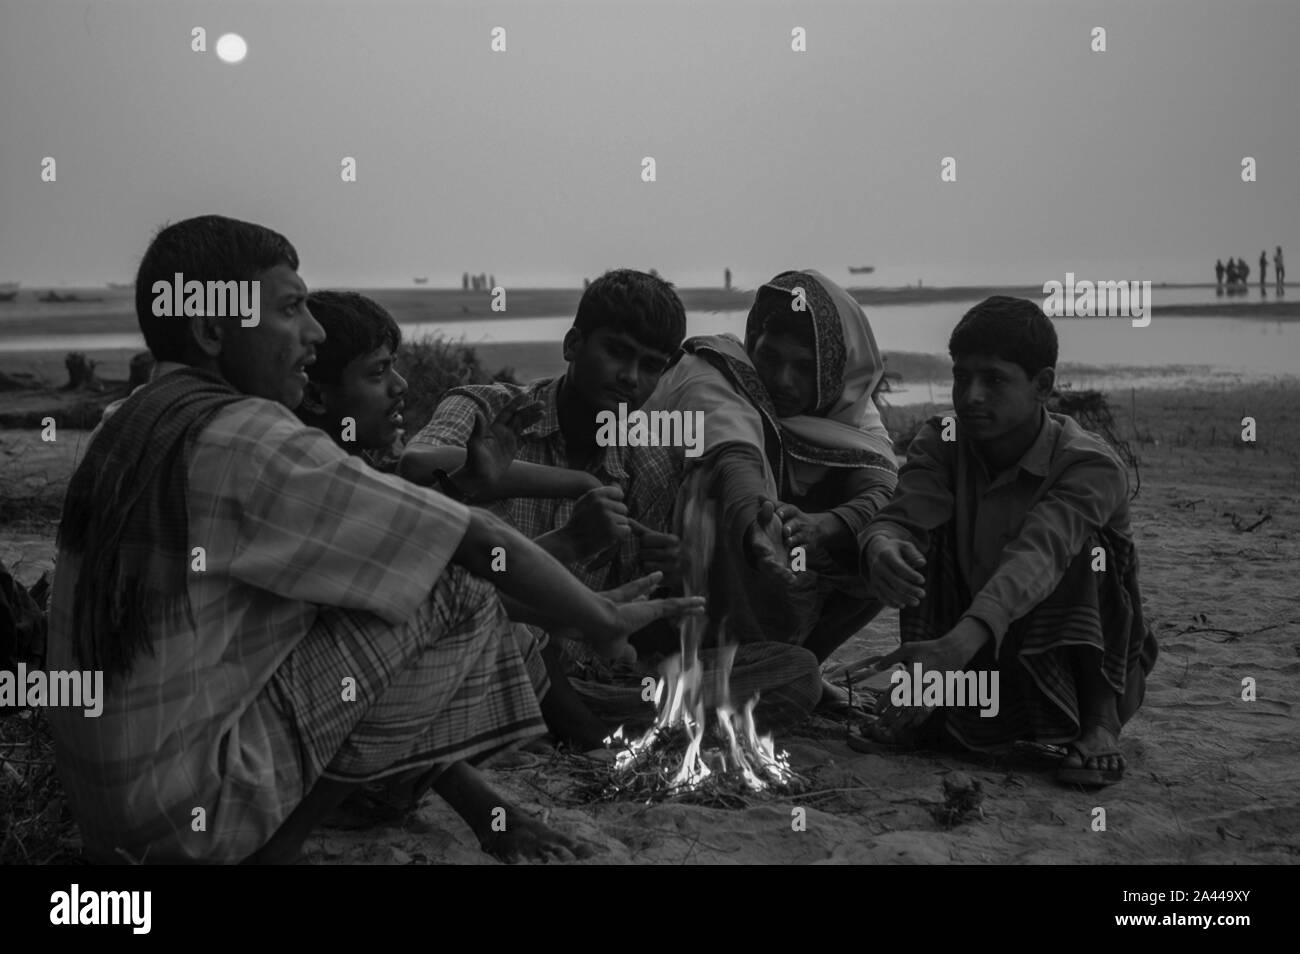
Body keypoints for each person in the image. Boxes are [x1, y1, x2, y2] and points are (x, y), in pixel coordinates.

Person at [45, 216, 703, 865]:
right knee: (456, 588)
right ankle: (276, 850)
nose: (315, 330)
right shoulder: (248, 439)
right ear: (213, 328)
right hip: (194, 823)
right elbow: (470, 538)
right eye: (292, 308)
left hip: (115, 815)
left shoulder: (128, 422)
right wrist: (601, 616)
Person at [401, 269, 823, 736]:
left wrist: (670, 574)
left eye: (651, 366)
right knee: (510, 632)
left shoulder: (650, 459)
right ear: (572, 344)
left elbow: (629, 618)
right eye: (617, 353)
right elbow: (417, 465)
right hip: (482, 650)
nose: (630, 378)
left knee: (797, 672)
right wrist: (575, 484)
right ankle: (597, 727)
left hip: (589, 676)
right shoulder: (489, 409)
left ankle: (595, 721)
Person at [860, 296, 1158, 787]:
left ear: (1043, 386)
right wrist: (882, 546)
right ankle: (930, 702)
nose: (971, 395)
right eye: (961, 377)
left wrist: (959, 644)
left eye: (993, 380)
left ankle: (1100, 725)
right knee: (920, 546)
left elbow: (1041, 551)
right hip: (976, 663)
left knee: (1090, 550)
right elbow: (903, 513)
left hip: (1075, 667)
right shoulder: (944, 440)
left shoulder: (1090, 464)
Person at [639, 269, 899, 664]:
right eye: (770, 357)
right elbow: (734, 454)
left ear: (833, 372)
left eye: (804, 367)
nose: (782, 380)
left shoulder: (850, 414)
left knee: (893, 537)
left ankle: (798, 660)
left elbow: (883, 493)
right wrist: (754, 524)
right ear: (752, 343)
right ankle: (710, 660)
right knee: (708, 489)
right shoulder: (715, 372)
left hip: (778, 565)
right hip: (667, 582)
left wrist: (822, 527)